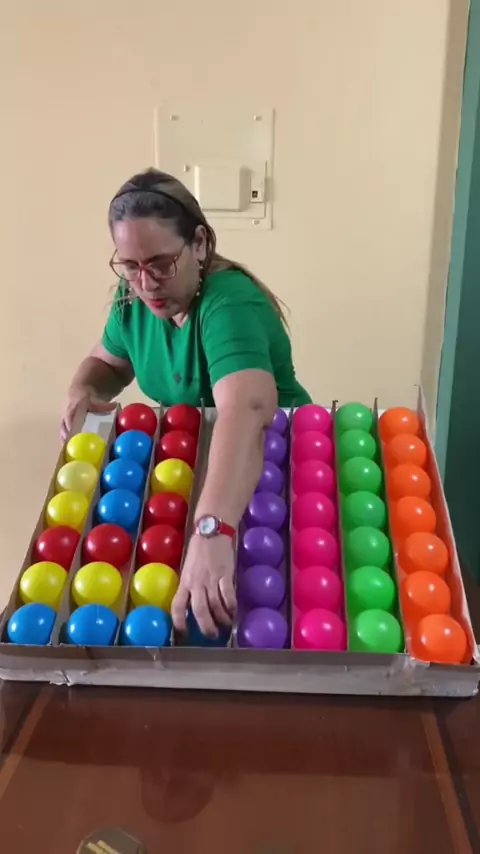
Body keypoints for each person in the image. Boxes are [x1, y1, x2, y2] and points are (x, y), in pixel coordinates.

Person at [63, 168, 310, 637]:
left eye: (161, 263)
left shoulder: (228, 304)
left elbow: (246, 410)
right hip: (198, 467)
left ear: (199, 244)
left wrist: (213, 529)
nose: (146, 283)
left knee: (257, 605)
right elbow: (109, 362)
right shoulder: (132, 299)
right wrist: (83, 387)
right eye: (130, 266)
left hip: (271, 461)